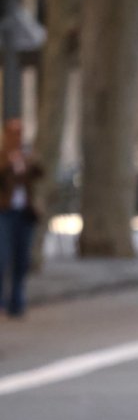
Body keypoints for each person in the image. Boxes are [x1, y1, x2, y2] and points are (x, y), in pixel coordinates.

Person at [0, 118, 43, 319]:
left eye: (20, 133)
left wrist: (30, 160)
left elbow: (40, 173)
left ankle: (17, 301)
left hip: (24, 213)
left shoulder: (25, 157)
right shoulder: (2, 156)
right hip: (4, 212)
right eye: (14, 133)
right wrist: (8, 162)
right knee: (3, 256)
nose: (17, 137)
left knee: (22, 257)